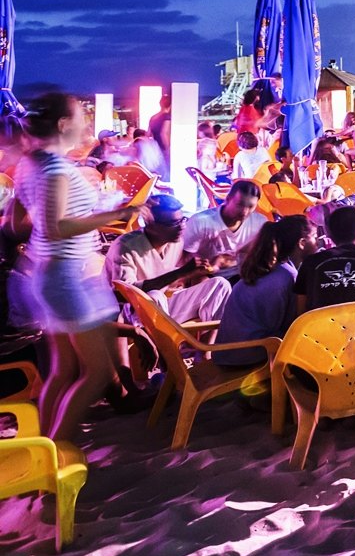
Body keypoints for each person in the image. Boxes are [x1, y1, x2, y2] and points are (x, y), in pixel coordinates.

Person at [6, 93, 142, 441]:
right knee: (96, 372)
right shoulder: (54, 168)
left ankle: (46, 447)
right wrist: (114, 215)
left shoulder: (31, 165)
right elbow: (56, 227)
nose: (86, 121)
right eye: (81, 114)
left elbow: (19, 224)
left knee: (63, 370)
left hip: (49, 272)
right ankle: (58, 452)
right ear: (64, 124)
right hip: (64, 276)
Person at [106, 193, 231, 324]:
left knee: (220, 285)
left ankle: (209, 344)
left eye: (183, 220)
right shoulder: (125, 247)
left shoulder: (176, 243)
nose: (182, 227)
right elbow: (124, 294)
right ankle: (164, 344)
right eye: (173, 223)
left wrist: (195, 272)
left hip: (162, 310)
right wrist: (180, 273)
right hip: (131, 316)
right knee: (154, 295)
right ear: (151, 224)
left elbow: (173, 277)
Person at [213, 215, 316, 367]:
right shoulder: (287, 277)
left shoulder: (270, 269)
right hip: (247, 358)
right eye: (314, 237)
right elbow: (293, 326)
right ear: (302, 243)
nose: (318, 241)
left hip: (226, 354)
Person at [181, 180, 269, 272]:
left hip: (244, 275)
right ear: (228, 199)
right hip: (207, 275)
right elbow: (185, 259)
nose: (245, 212)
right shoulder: (200, 222)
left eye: (251, 206)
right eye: (240, 205)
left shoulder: (260, 222)